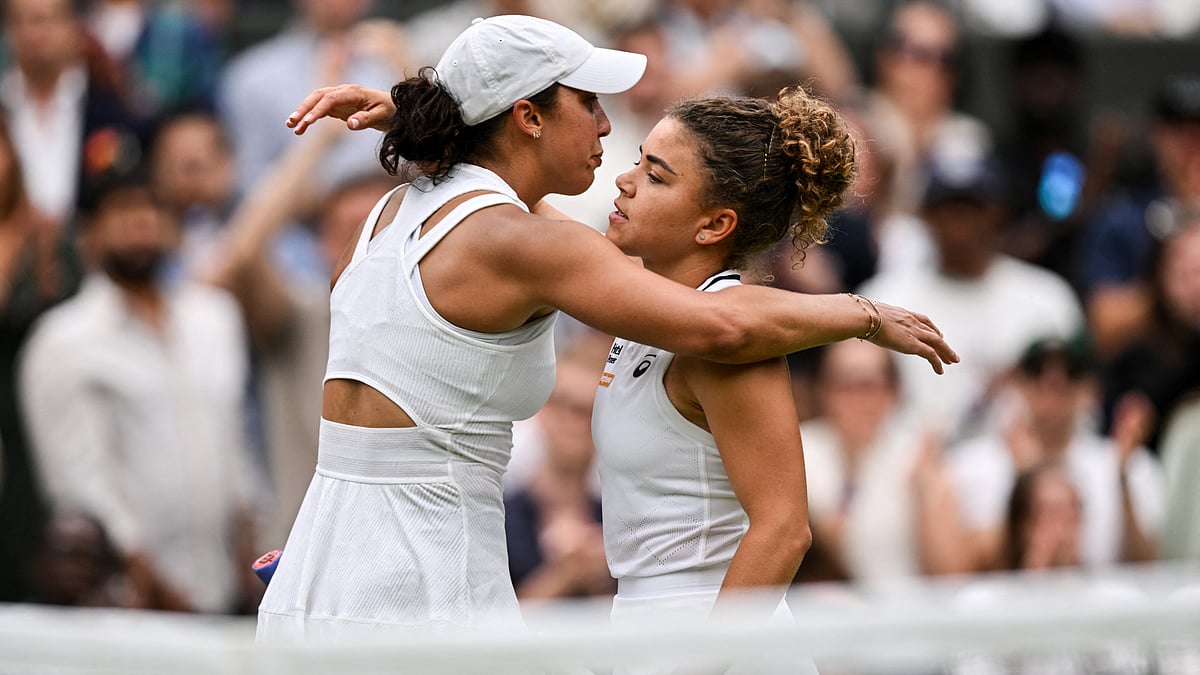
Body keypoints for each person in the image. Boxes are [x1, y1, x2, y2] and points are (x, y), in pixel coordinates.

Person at [259, 14, 957, 642]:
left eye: (654, 173)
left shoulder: (389, 215)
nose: (604, 126)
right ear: (528, 116)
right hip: (424, 588)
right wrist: (864, 313)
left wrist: (419, 129)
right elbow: (718, 324)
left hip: (319, 572)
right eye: (588, 102)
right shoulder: (526, 241)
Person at [19, 168, 262, 613]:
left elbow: (235, 445)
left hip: (226, 590)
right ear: (86, 235)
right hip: (128, 606)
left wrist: (250, 547)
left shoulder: (215, 319)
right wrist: (148, 579)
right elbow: (78, 484)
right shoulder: (62, 341)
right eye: (121, 210)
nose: (141, 221)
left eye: (152, 206)